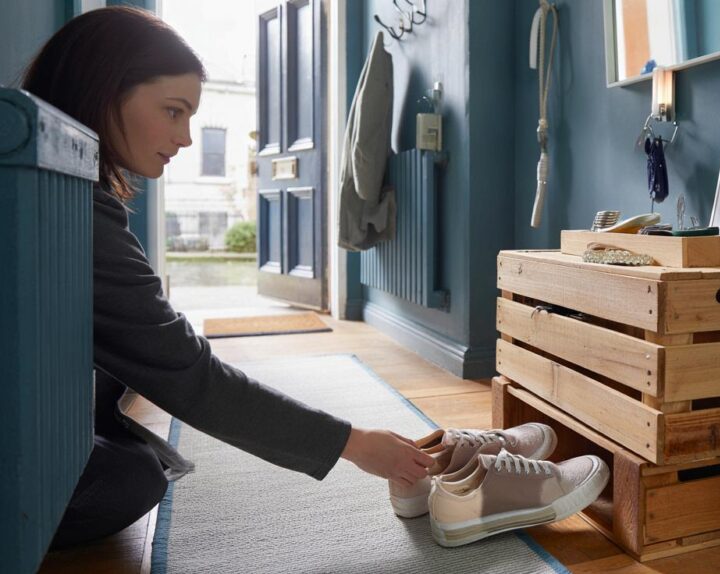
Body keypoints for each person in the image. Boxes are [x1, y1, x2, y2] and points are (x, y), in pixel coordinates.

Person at [19, 6, 434, 549]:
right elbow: (193, 376)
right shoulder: (74, 214)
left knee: (126, 412)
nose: (186, 137)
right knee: (135, 476)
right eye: (173, 111)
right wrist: (354, 444)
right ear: (102, 91)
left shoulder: (61, 191)